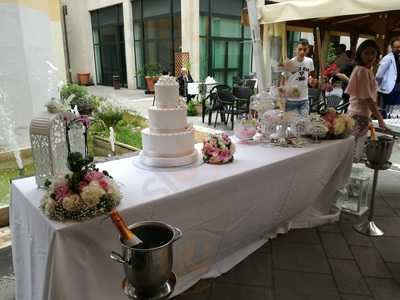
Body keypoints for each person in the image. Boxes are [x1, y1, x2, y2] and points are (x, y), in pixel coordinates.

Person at [345, 39, 387, 161]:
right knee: (352, 155)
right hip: (358, 116)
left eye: (373, 53)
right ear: (360, 54)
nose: (370, 56)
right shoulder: (362, 70)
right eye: (366, 53)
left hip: (359, 115)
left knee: (352, 153)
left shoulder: (366, 70)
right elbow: (367, 98)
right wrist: (380, 120)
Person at [281, 39, 315, 116]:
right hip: (291, 101)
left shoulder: (309, 61)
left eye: (304, 49)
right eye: (300, 49)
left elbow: (309, 75)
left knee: (303, 125)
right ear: (295, 49)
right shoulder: (290, 63)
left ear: (308, 50)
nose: (302, 52)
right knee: (292, 125)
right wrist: (282, 98)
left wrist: (311, 80)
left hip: (304, 100)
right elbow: (283, 81)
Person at [376, 37, 400, 115]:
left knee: (396, 110)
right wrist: (380, 87)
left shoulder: (398, 58)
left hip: (398, 87)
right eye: (397, 47)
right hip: (390, 88)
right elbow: (379, 75)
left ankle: (393, 124)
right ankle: (385, 124)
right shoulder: (387, 58)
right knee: (388, 109)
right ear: (392, 48)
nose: (399, 49)